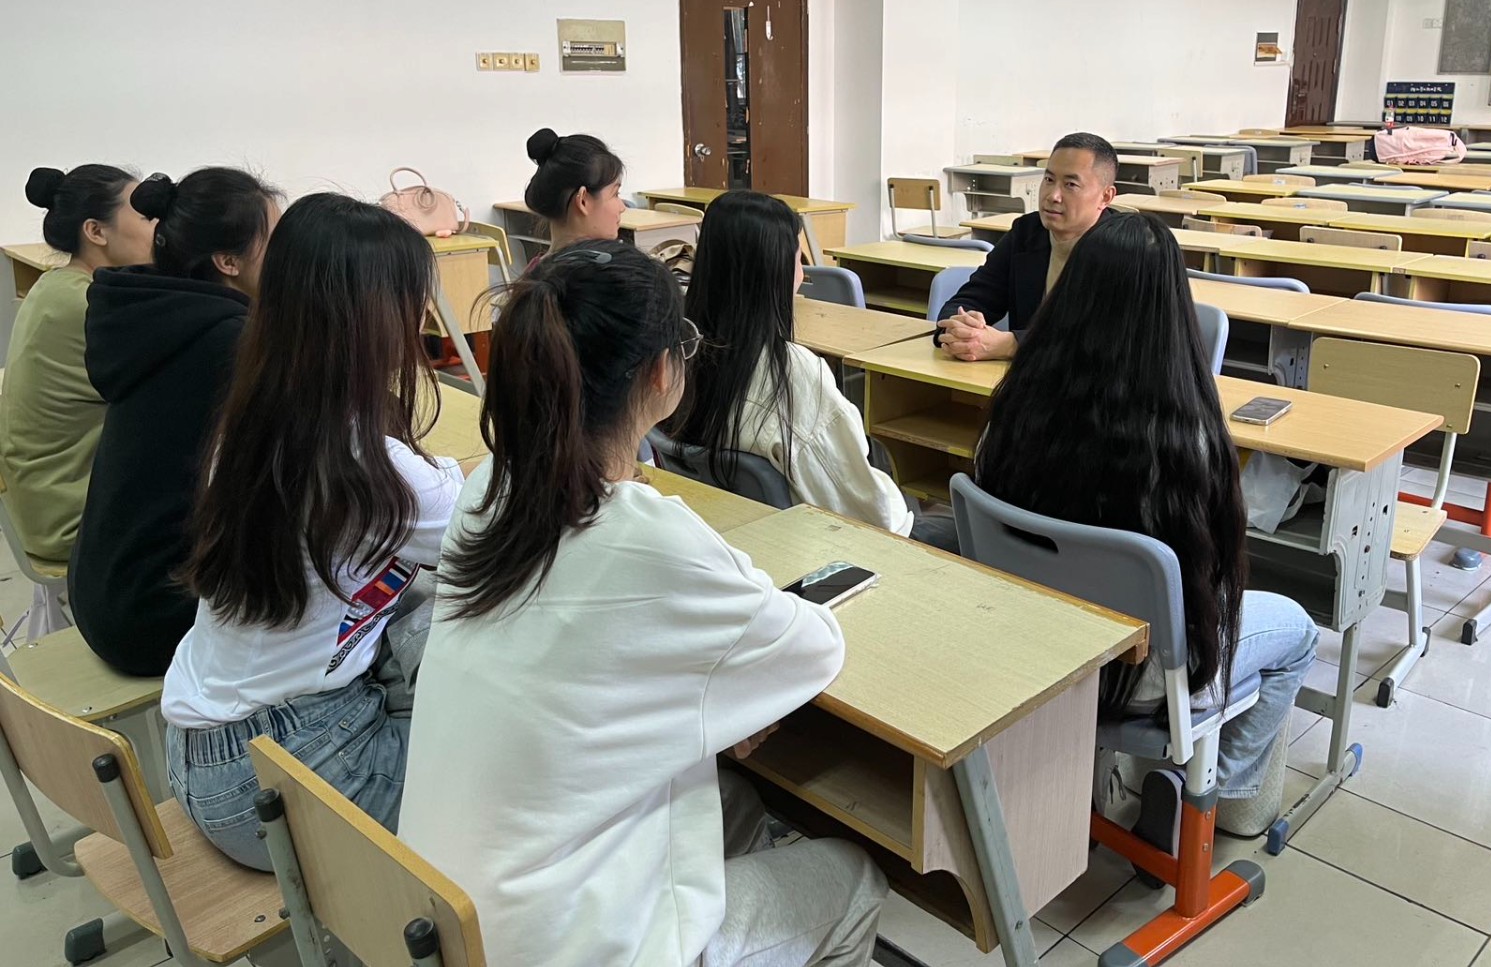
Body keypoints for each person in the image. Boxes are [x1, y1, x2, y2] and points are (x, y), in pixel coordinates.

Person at [401, 241, 887, 967]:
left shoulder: (487, 491)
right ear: (663, 371)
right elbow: (815, 645)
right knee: (854, 877)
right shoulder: (648, 536)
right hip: (565, 944)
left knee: (736, 803)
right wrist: (730, 692)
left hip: (456, 912)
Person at [974, 211, 1317, 840]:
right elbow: (1208, 579)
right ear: (1173, 309)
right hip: (1140, 679)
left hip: (1029, 648)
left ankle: (1146, 780)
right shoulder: (1188, 437)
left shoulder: (1016, 406)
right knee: (1297, 630)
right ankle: (1211, 798)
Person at [163, 194, 462, 870]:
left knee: (427, 626)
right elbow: (484, 527)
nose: (421, 316)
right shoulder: (367, 466)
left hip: (201, 747)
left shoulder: (255, 419)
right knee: (520, 762)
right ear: (372, 319)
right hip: (284, 773)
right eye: (413, 298)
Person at [71, 168, 282, 677]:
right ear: (228, 261)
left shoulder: (156, 312)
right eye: (276, 242)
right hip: (156, 613)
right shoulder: (229, 340)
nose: (288, 257)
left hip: (104, 590)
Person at [669, 190, 957, 550]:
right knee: (962, 529)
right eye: (797, 257)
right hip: (822, 547)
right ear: (776, 269)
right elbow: (871, 515)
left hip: (734, 538)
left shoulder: (679, 351)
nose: (803, 271)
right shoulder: (790, 373)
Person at [0, 166, 153, 563]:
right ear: (96, 231)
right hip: (69, 518)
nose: (159, 226)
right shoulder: (89, 305)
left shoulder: (57, 285)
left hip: (43, 500)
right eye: (145, 216)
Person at [936, 130, 1118, 362]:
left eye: (1070, 184)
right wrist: (961, 327)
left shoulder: (1125, 248)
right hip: (1024, 378)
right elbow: (972, 298)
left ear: (1105, 197)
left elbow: (1106, 342)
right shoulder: (1026, 233)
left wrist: (1011, 344)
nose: (1053, 195)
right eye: (1049, 180)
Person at [523, 126, 627, 256]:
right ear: (583, 201)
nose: (622, 207)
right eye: (615, 194)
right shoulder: (610, 268)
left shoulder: (538, 266)